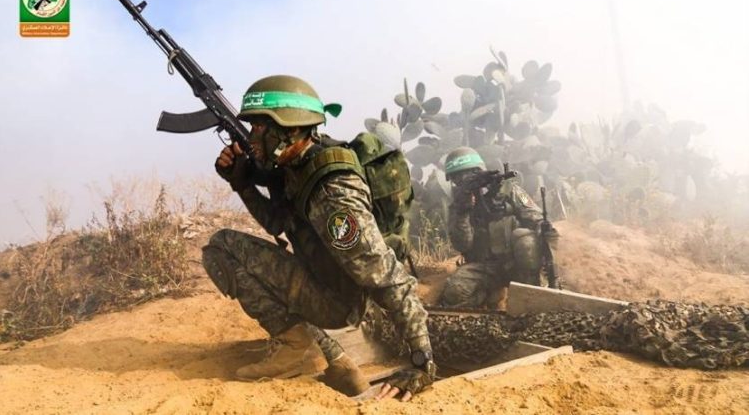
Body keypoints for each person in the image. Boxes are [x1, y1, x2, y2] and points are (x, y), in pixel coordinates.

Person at [201, 75, 435, 400]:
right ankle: (323, 352)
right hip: (319, 279)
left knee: (223, 247)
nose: (251, 137)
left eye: (259, 127)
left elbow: (386, 275)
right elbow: (275, 222)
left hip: (337, 302)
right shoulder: (295, 164)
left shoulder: (333, 192)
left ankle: (298, 347)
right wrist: (242, 184)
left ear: (291, 129)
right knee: (222, 247)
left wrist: (421, 361)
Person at [438, 147, 559, 311]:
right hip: (484, 267)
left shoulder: (507, 190)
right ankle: (491, 299)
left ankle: (533, 293)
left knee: (526, 240)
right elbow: (463, 244)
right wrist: (462, 211)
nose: (463, 180)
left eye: (469, 174)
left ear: (479, 171)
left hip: (517, 264)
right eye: (457, 177)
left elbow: (535, 217)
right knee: (455, 293)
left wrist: (543, 227)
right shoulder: (458, 206)